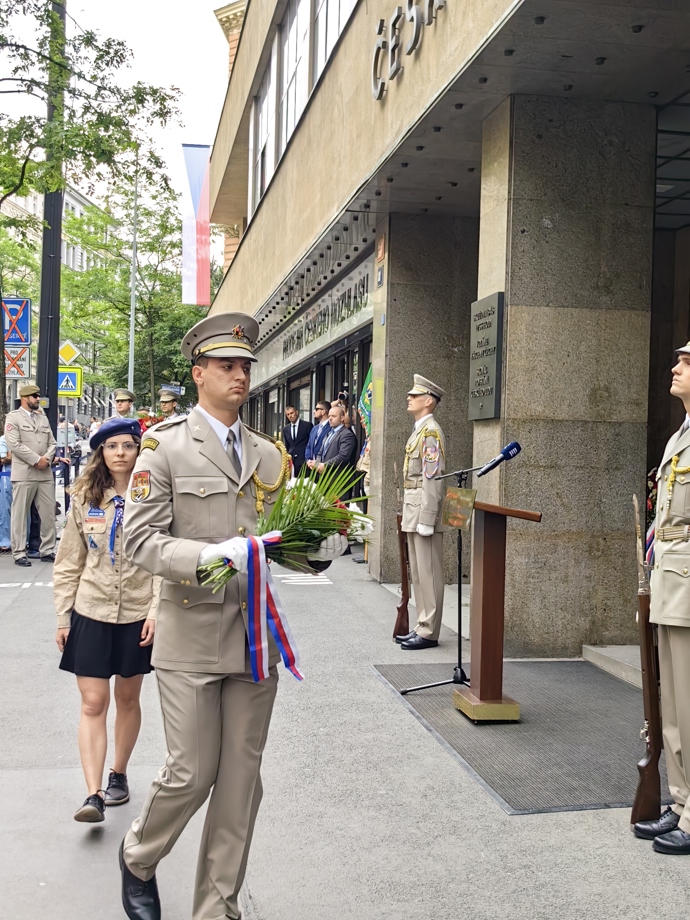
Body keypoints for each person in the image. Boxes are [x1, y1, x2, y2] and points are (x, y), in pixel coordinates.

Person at [118, 313, 347, 920]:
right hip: (191, 634)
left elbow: (284, 543)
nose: (241, 375)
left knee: (241, 783)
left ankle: (215, 907)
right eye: (227, 366)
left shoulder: (270, 456)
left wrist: (326, 546)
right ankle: (139, 855)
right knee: (192, 772)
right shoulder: (161, 448)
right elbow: (137, 543)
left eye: (246, 365)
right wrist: (206, 556)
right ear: (199, 375)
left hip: (253, 640)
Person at [54, 417, 159, 824]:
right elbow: (68, 562)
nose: (120, 453)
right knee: (93, 701)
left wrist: (156, 610)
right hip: (91, 610)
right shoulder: (84, 497)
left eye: (127, 446)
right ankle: (93, 793)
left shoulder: (152, 496)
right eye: (112, 446)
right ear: (101, 452)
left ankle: (119, 773)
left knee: (128, 699)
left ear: (137, 451)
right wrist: (64, 615)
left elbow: (161, 560)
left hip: (136, 612)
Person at [633, 342, 690, 854]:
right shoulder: (681, 436)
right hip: (673, 581)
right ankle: (681, 801)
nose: (675, 368)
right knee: (672, 703)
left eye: (687, 363)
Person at [395, 375, 447, 651]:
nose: (409, 398)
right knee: (417, 572)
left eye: (415, 395)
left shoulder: (430, 433)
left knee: (428, 572)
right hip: (413, 508)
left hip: (423, 512)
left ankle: (429, 630)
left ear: (428, 401)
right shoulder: (419, 430)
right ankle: (421, 625)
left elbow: (432, 477)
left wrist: (428, 517)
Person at [4, 384, 57, 566]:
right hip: (24, 473)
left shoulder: (42, 418)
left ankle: (47, 549)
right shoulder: (13, 418)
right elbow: (14, 444)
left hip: (44, 473)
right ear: (25, 398)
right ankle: (19, 552)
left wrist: (47, 459)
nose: (37, 399)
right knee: (20, 514)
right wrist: (36, 459)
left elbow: (52, 442)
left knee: (48, 513)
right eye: (34, 396)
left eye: (38, 396)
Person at [282, 405, 312, 475]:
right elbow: (287, 445)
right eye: (288, 414)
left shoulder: (307, 425)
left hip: (304, 461)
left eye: (292, 413)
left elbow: (311, 443)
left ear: (296, 412)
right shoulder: (286, 429)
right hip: (292, 462)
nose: (290, 416)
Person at [304, 400, 331, 467]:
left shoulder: (331, 428)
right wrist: (308, 460)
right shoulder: (314, 428)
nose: (314, 411)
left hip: (324, 467)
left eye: (316, 409)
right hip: (312, 468)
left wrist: (318, 463)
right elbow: (309, 446)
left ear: (323, 411)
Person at [0, 434, 12, 552]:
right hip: (7, 476)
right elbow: (3, 458)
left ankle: (23, 540)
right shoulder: (4, 439)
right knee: (5, 508)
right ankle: (5, 540)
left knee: (23, 509)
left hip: (24, 476)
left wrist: (12, 455)